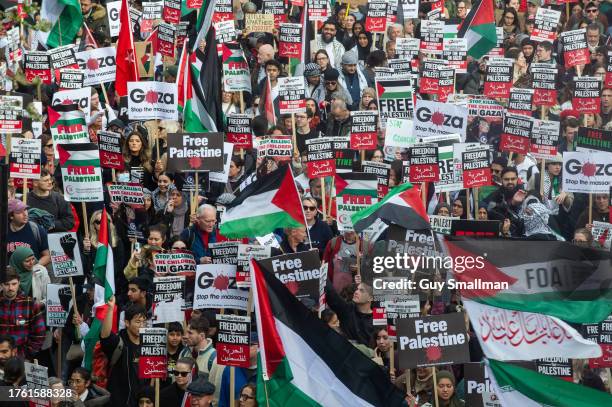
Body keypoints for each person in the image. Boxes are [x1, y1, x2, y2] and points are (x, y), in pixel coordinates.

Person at [100, 297, 149, 407]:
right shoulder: (119, 343)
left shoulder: (148, 345)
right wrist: (110, 309)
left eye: (144, 322)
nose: (141, 325)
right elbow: (105, 336)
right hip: (118, 402)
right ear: (127, 322)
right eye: (137, 321)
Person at [0, 268, 45, 360]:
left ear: (19, 283)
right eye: (7, 284)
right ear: (1, 284)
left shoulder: (30, 303)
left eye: (14, 284)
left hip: (20, 357)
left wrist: (26, 354)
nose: (11, 288)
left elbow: (39, 333)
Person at [185, 316, 224, 405]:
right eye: (186, 332)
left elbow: (216, 395)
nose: (186, 336)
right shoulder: (184, 353)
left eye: (190, 333)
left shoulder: (215, 359)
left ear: (202, 336)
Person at [324, 277, 374, 346]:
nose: (356, 292)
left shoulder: (377, 320)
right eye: (357, 289)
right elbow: (331, 294)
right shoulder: (347, 310)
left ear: (370, 298)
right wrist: (322, 270)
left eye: (361, 291)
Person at [7, 199, 50, 266]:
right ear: (11, 216)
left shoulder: (35, 229)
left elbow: (47, 256)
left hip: (32, 273)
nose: (25, 214)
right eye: (19, 212)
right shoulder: (4, 230)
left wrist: (34, 268)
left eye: (25, 210)